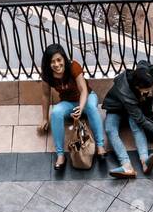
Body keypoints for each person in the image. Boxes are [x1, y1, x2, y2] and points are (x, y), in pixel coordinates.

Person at [38, 43, 108, 172]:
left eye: (59, 60)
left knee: (92, 108)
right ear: (48, 63)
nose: (57, 64)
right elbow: (45, 96)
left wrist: (81, 107)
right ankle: (60, 155)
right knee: (56, 113)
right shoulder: (47, 75)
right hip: (68, 102)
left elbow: (84, 90)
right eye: (52, 62)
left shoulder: (73, 66)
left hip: (87, 98)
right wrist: (44, 118)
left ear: (64, 59)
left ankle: (100, 146)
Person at [102, 61, 153, 177]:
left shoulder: (140, 73)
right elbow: (142, 120)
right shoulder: (125, 93)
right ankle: (126, 165)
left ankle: (145, 161)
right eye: (146, 90)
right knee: (110, 129)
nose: (148, 92)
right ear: (137, 87)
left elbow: (144, 63)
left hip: (132, 107)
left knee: (136, 125)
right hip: (116, 108)